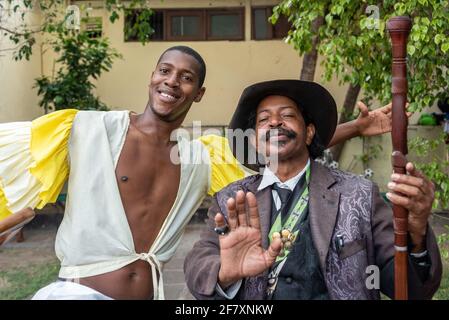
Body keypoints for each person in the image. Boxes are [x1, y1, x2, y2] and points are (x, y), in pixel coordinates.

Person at [0, 46, 401, 300]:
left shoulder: (199, 156)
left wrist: (357, 126)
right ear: (152, 76)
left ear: (199, 92)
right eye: (164, 71)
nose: (171, 82)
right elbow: (10, 164)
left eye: (185, 77)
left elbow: (281, 145)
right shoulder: (83, 130)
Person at [183, 79, 442, 300]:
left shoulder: (359, 194)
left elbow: (408, 289)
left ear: (308, 133)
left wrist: (416, 230)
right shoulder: (231, 200)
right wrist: (224, 272)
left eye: (287, 115)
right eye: (264, 119)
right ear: (254, 141)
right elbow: (198, 265)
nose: (275, 123)